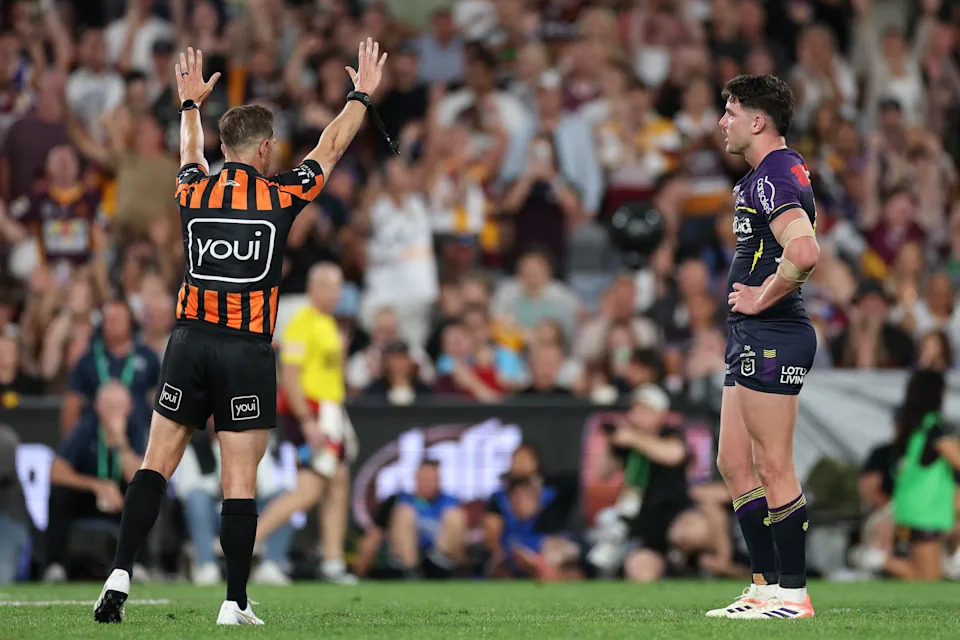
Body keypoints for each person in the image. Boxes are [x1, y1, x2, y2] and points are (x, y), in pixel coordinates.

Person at [94, 40, 389, 626]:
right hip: (246, 351)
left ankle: (120, 572)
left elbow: (188, 150)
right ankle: (233, 601)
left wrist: (188, 105)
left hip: (188, 342)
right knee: (239, 481)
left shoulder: (192, 189)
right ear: (263, 148)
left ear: (222, 149)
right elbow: (331, 146)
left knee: (155, 464)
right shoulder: (280, 194)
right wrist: (360, 95)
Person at [708, 74, 820, 619]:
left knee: (773, 465)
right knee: (733, 461)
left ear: (757, 121)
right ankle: (764, 587)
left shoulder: (772, 174)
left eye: (730, 112)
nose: (721, 122)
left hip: (775, 333)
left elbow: (804, 250)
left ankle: (793, 595)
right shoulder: (763, 175)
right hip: (752, 335)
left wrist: (761, 297)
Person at [256, 263, 358, 586]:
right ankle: (245, 540)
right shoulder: (302, 323)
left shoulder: (329, 324)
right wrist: (306, 420)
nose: (335, 294)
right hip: (311, 414)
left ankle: (333, 561)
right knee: (310, 489)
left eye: (338, 287)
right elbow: (289, 377)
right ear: (313, 288)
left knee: (338, 481)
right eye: (329, 287)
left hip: (329, 413)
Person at [353, 460, 466, 579]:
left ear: (439, 481)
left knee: (455, 515)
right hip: (404, 561)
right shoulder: (397, 500)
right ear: (416, 479)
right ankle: (410, 569)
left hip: (440, 562)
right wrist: (360, 570)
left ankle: (439, 564)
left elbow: (460, 547)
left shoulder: (451, 503)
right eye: (424, 479)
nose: (428, 484)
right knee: (404, 513)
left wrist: (461, 565)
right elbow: (375, 536)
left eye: (432, 480)